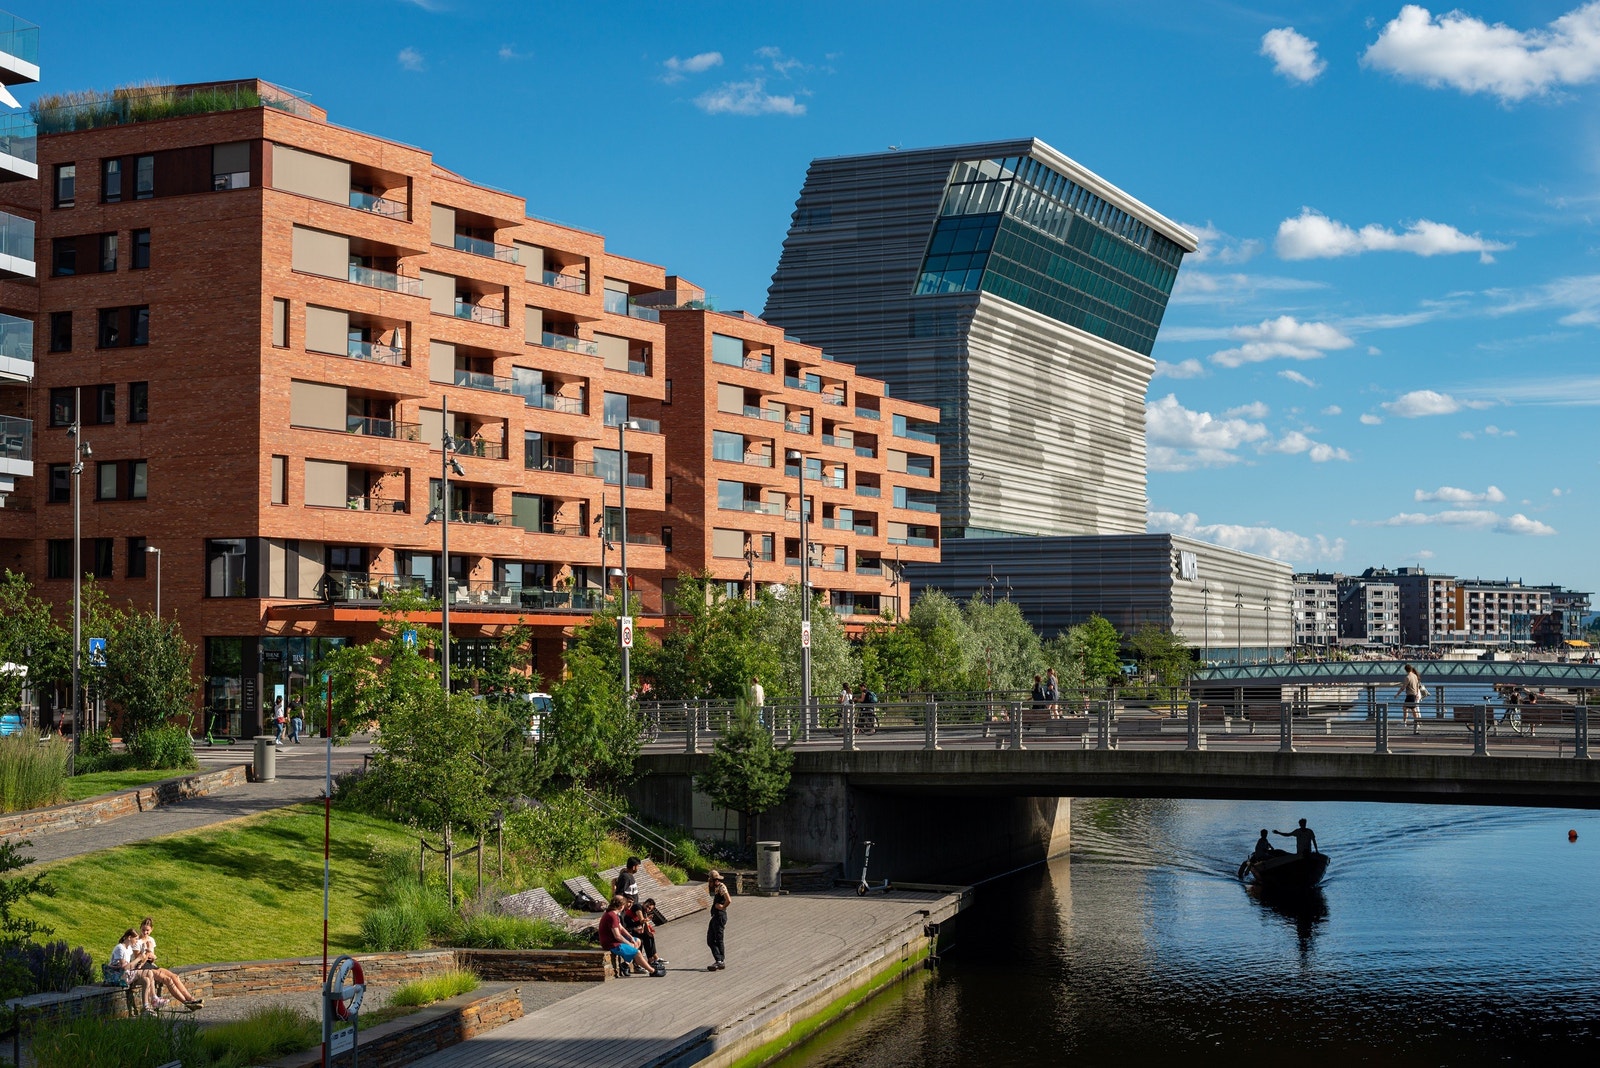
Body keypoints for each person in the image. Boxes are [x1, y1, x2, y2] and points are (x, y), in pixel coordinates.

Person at [109, 928, 203, 1010]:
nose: (145, 932)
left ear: (151, 930)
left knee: (175, 977)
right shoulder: (133, 945)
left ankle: (191, 1000)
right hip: (139, 968)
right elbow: (139, 962)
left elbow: (152, 957)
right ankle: (186, 1003)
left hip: (148, 965)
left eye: (148, 930)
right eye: (143, 930)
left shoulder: (147, 941)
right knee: (166, 979)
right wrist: (147, 952)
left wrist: (151, 955)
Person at [597, 896, 647, 976]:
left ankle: (626, 964)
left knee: (637, 941)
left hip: (614, 939)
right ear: (621, 906)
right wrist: (628, 943)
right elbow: (618, 936)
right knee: (636, 951)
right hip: (611, 942)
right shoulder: (612, 915)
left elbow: (621, 928)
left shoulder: (615, 914)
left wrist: (630, 938)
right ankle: (649, 969)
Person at [623, 897, 666, 974]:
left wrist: (648, 931)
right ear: (644, 903)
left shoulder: (644, 911)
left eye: (650, 909)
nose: (648, 909)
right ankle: (637, 965)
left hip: (632, 928)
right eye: (647, 907)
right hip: (628, 929)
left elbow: (642, 925)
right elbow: (641, 920)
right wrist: (647, 919)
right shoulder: (638, 907)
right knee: (640, 940)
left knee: (649, 936)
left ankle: (651, 959)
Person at [706, 869, 731, 971]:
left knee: (718, 939)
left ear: (715, 880)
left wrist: (722, 906)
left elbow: (729, 900)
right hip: (715, 916)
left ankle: (720, 961)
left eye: (710, 881)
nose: (709, 883)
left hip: (720, 916)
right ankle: (719, 959)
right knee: (710, 939)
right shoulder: (716, 888)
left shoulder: (721, 887)